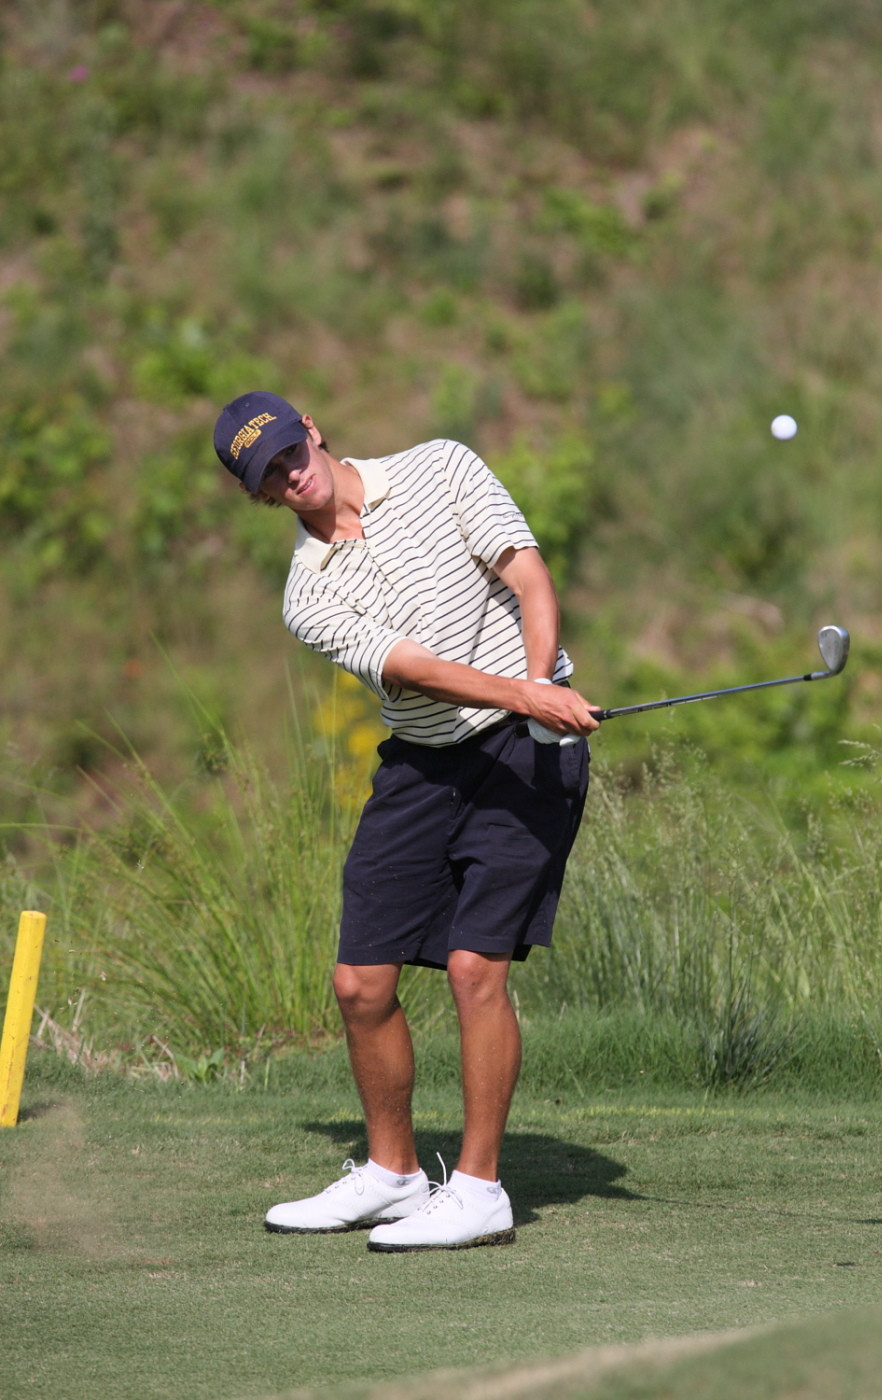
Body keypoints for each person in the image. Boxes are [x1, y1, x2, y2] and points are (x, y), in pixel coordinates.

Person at [213, 391, 600, 1252]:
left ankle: (479, 1189)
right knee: (360, 983)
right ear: (262, 496)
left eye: (289, 450)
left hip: (525, 754)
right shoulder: (306, 594)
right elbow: (415, 669)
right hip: (424, 762)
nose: (291, 473)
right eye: (270, 475)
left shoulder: (442, 466)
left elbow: (527, 575)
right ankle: (391, 1176)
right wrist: (523, 691)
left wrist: (536, 693)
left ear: (311, 427)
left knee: (472, 967)